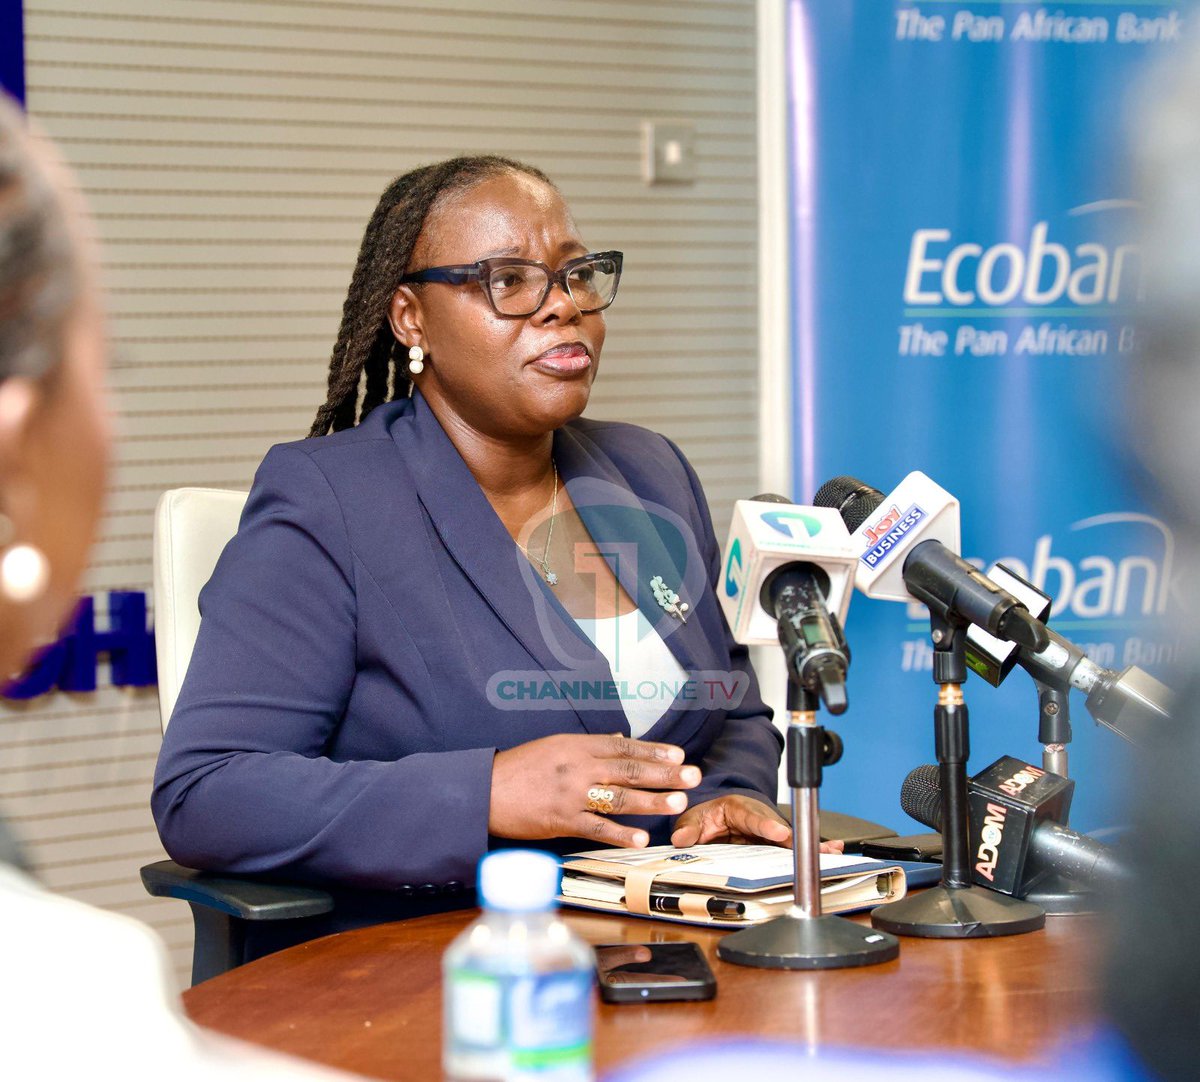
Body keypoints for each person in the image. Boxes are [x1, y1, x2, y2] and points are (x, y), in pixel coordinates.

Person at [151, 156, 814, 948]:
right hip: (432, 967)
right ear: (410, 318)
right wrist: (487, 791)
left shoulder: (648, 473)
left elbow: (730, 703)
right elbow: (206, 791)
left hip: (666, 951)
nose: (561, 307)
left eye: (576, 276)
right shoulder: (331, 503)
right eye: (509, 281)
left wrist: (726, 798)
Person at [0, 95, 351, 1079]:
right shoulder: (60, 997)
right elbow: (214, 787)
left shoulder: (636, 480)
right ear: (18, 443)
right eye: (109, 369)